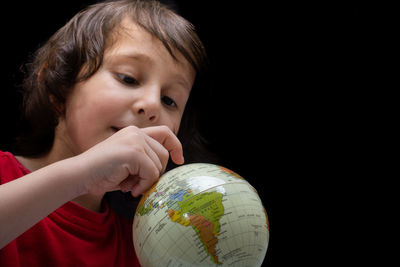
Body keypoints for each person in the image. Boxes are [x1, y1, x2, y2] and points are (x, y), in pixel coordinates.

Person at [0, 0, 210, 265]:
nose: (152, 104)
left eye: (170, 100)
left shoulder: (140, 248)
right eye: (128, 78)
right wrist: (82, 174)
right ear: (59, 89)